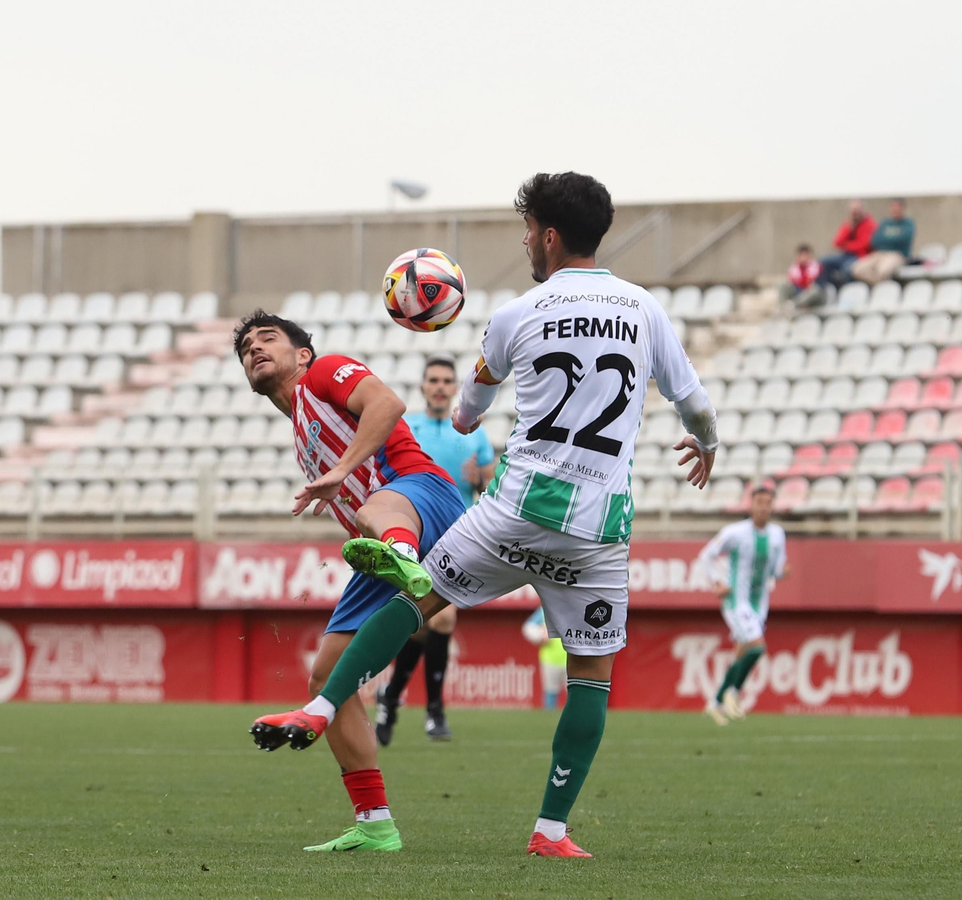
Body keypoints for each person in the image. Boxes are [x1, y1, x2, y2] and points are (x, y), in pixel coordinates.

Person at [253, 171, 719, 859]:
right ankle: (551, 832)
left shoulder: (515, 316)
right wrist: (706, 445)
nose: (526, 241)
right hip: (600, 525)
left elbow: (468, 414)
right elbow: (695, 404)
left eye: (529, 230)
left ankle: (323, 708)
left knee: (420, 599)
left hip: (517, 508)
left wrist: (480, 383)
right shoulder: (643, 310)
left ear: (551, 236)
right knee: (591, 675)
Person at [235, 312, 467, 853]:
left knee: (373, 509)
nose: (254, 349)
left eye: (268, 339)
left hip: (420, 497)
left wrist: (341, 469)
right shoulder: (299, 428)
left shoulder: (325, 373)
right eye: (246, 347)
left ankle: (405, 559)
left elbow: (388, 404)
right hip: (378, 544)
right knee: (325, 680)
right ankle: (374, 823)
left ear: (303, 355)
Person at [375, 355, 497, 744]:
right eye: (434, 380)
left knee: (439, 621)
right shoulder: (406, 427)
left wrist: (481, 480)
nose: (441, 386)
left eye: (448, 380)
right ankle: (402, 701)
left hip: (456, 534)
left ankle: (419, 706)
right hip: (414, 534)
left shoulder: (473, 433)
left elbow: (490, 487)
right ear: (424, 386)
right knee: (423, 624)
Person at [695, 483, 785, 726]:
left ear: (772, 506)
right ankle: (732, 692)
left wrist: (782, 572)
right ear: (751, 504)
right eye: (759, 502)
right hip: (737, 601)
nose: (763, 507)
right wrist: (716, 582)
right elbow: (706, 555)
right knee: (757, 647)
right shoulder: (735, 532)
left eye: (768, 502)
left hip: (760, 605)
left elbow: (776, 570)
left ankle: (714, 704)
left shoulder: (778, 535)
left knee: (742, 653)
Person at [816, 201, 875, 289]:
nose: (855, 214)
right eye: (853, 212)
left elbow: (864, 245)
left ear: (862, 211)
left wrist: (847, 246)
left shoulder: (870, 224)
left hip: (861, 256)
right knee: (823, 262)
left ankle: (846, 291)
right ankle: (832, 288)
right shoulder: (849, 224)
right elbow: (837, 242)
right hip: (846, 255)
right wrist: (849, 227)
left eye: (857, 211)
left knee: (846, 268)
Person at [522, 607, 568, 711]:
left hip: (571, 660)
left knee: (575, 694)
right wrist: (540, 637)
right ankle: (549, 720)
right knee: (550, 692)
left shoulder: (571, 607)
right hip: (550, 660)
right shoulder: (545, 609)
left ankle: (577, 720)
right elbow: (528, 627)